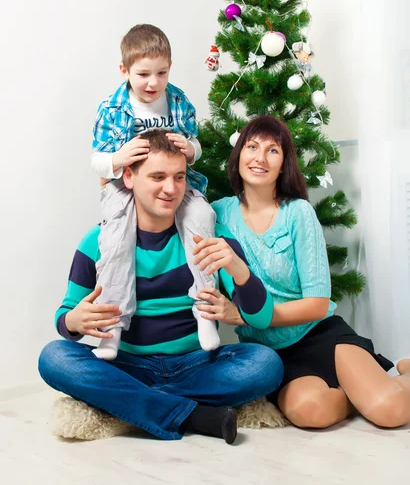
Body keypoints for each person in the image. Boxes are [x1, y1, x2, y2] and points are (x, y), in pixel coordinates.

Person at [38, 129, 284, 444]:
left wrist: (238, 270)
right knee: (53, 357)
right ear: (128, 177)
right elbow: (66, 316)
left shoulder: (211, 236)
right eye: (157, 177)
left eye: (179, 177)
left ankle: (132, 403)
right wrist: (73, 321)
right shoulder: (98, 241)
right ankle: (191, 414)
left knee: (266, 365)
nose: (171, 189)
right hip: (125, 364)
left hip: (195, 363)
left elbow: (261, 319)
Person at [195, 115, 410, 429]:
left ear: (283, 165)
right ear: (239, 155)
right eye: (252, 146)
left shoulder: (298, 213)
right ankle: (362, 389)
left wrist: (246, 316)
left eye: (273, 151)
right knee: (309, 412)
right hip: (269, 353)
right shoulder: (216, 214)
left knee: (390, 412)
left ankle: (395, 379)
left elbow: (317, 305)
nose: (259, 157)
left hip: (318, 334)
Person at [91, 24, 220, 360]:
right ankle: (113, 324)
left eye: (161, 73)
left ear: (170, 69)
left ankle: (204, 308)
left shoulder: (178, 101)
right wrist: (118, 160)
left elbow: (195, 145)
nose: (152, 83)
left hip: (177, 183)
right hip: (126, 188)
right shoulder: (113, 108)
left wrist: (191, 150)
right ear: (125, 71)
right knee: (115, 239)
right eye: (143, 74)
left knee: (203, 216)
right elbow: (98, 160)